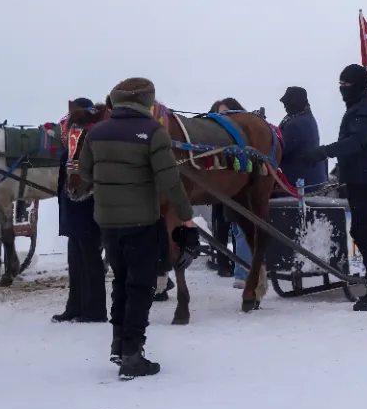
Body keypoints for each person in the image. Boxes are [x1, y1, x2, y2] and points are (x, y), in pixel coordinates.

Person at [79, 77, 200, 380]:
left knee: (120, 281)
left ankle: (119, 343)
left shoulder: (96, 133)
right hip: (141, 222)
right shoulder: (153, 132)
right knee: (141, 285)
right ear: (148, 101)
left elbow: (84, 172)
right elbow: (170, 181)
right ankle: (133, 354)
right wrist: (186, 218)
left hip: (107, 222)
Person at [304, 64, 367, 311]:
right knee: (361, 232)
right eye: (340, 86)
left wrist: (323, 152)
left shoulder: (364, 110)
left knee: (366, 233)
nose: (342, 90)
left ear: (357, 85)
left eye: (346, 86)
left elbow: (356, 142)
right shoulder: (360, 106)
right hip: (361, 178)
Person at [52, 98, 107, 323]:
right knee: (76, 262)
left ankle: (94, 310)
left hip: (85, 209)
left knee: (90, 262)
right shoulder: (76, 140)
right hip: (73, 209)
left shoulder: (88, 139)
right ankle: (74, 306)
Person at [206, 98, 246, 277]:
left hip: (236, 182)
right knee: (220, 224)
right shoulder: (211, 134)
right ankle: (223, 262)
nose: (223, 117)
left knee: (237, 223)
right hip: (217, 183)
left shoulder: (241, 133)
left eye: (226, 113)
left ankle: (238, 261)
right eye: (220, 114)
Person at [277, 86, 328, 194]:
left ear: (295, 104)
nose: (285, 107)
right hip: (309, 178)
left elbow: (280, 150)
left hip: (301, 182)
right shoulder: (305, 117)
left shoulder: (296, 124)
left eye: (287, 104)